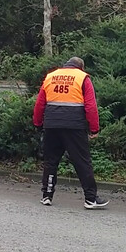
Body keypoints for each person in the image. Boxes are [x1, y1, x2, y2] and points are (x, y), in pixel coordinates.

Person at [32, 56, 109, 209]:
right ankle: (90, 199)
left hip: (52, 125)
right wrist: (94, 128)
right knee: (82, 162)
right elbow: (91, 106)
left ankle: (47, 196)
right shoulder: (82, 78)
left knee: (51, 161)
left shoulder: (51, 76)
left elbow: (40, 103)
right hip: (74, 126)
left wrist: (38, 123)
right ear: (81, 67)